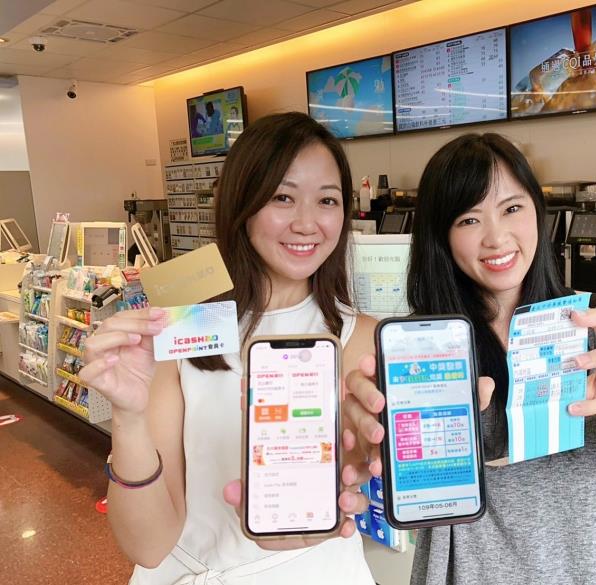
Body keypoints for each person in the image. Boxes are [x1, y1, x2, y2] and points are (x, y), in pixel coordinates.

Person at [346, 133, 596, 584]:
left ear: (537, 212)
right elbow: (404, 486)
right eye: (468, 219)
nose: (496, 237)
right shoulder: (426, 346)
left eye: (512, 208)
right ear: (441, 238)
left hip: (593, 569)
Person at [80, 112, 379, 584]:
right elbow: (147, 546)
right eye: (282, 197)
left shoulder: (362, 338)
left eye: (327, 200)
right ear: (243, 204)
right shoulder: (184, 329)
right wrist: (128, 417)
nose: (307, 223)